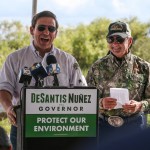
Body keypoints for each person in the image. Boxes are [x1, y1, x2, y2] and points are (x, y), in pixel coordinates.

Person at [0, 10, 87, 150]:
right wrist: (9, 108)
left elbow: (81, 92)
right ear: (32, 30)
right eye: (41, 28)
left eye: (51, 29)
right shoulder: (14, 58)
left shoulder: (68, 60)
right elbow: (4, 88)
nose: (46, 32)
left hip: (60, 128)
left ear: (56, 33)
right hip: (23, 125)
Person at [86, 21, 150, 146]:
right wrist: (101, 103)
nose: (115, 44)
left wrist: (140, 105)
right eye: (111, 39)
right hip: (105, 128)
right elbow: (86, 100)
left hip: (135, 128)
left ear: (129, 41)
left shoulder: (144, 67)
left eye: (119, 39)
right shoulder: (97, 67)